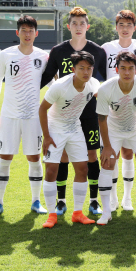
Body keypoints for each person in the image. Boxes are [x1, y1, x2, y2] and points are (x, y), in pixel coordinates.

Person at [40, 7, 107, 216]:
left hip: (89, 112)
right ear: (68, 26)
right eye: (74, 23)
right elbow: (46, 76)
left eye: (82, 23)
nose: (78, 27)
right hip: (64, 114)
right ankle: (61, 201)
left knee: (91, 156)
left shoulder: (98, 51)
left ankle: (94, 201)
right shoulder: (58, 50)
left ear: (88, 26)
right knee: (64, 158)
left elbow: (108, 80)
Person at [0, 15, 49, 217]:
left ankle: (36, 201)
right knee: (5, 157)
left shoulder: (43, 56)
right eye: (24, 30)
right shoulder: (6, 55)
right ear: (17, 32)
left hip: (33, 116)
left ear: (36, 33)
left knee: (34, 157)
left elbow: (51, 84)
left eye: (31, 30)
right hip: (10, 115)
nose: (27, 34)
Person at [39, 51, 100, 228]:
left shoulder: (93, 84)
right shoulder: (59, 86)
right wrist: (46, 136)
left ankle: (78, 213)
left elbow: (103, 96)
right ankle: (51, 215)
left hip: (75, 128)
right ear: (73, 69)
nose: (86, 72)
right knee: (51, 170)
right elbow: (42, 110)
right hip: (55, 128)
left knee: (82, 169)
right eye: (81, 68)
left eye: (89, 68)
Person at [101, 10, 136, 211]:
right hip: (112, 104)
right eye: (121, 25)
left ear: (134, 28)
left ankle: (128, 198)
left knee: (129, 154)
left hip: (134, 106)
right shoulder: (106, 48)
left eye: (128, 25)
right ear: (116, 27)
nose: (124, 28)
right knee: (110, 156)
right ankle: (112, 199)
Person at [96, 51, 136, 225]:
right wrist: (106, 146)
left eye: (131, 68)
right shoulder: (106, 88)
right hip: (113, 130)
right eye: (123, 68)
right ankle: (106, 211)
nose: (127, 72)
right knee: (107, 163)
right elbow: (102, 119)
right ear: (116, 69)